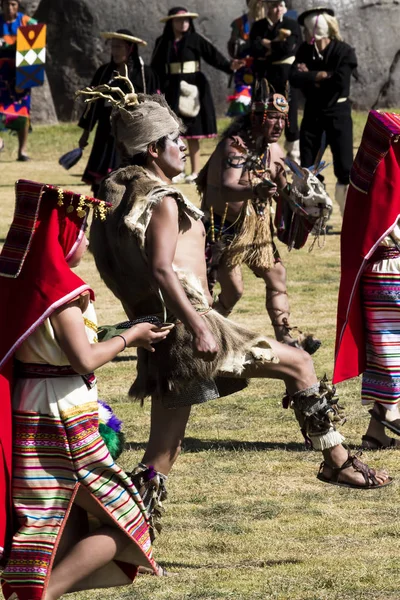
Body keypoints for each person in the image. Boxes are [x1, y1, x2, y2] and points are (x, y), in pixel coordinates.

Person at [81, 77, 391, 538]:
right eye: (174, 141)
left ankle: (121, 537)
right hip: (192, 328)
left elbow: (120, 268)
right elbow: (164, 269)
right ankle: (337, 461)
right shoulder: (162, 200)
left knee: (161, 455)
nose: (183, 148)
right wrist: (200, 326)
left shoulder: (115, 195)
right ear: (151, 149)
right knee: (301, 364)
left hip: (160, 332)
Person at [0, 181, 172, 599]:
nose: (84, 238)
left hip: (29, 405)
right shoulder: (63, 291)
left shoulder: (12, 278)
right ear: (64, 231)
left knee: (53, 517)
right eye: (80, 227)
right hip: (64, 411)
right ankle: (43, 594)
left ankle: (37, 587)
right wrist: (132, 338)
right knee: (129, 526)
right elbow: (84, 359)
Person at [196, 88, 321, 354]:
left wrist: (306, 203)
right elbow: (229, 186)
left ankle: (285, 336)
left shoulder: (273, 151)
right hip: (224, 227)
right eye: (272, 118)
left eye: (282, 119)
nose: (279, 125)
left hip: (256, 227)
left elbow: (285, 190)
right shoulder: (235, 147)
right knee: (233, 292)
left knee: (277, 276)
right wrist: (255, 190)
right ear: (256, 119)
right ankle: (205, 334)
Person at [334, 110, 400, 450]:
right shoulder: (389, 180)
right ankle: (391, 411)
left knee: (385, 350)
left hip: (377, 274)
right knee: (391, 350)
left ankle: (375, 433)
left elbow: (380, 121)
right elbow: (381, 118)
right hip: (394, 273)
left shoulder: (367, 176)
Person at [151, 6, 244, 183]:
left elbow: (213, 55)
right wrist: (155, 89)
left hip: (193, 88)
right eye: (179, 20)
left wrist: (229, 66)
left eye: (186, 20)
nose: (183, 23)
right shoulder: (162, 42)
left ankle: (195, 171)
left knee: (193, 132)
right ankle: (176, 170)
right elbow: (155, 67)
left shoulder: (195, 39)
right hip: (171, 89)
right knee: (173, 131)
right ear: (171, 22)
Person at [290, 6, 357, 217]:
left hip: (338, 114)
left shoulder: (344, 50)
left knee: (345, 167)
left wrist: (310, 75)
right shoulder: (304, 51)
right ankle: (315, 214)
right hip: (313, 114)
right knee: (309, 167)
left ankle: (349, 214)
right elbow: (294, 77)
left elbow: (340, 81)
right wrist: (320, 75)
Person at [78, 29, 159, 195]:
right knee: (101, 182)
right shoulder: (104, 73)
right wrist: (86, 133)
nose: (114, 51)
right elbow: (92, 106)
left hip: (131, 134)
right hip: (105, 133)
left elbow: (155, 105)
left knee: (130, 181)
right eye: (113, 47)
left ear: (130, 49)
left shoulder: (145, 75)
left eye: (119, 47)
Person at [249, 0, 301, 161]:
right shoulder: (258, 26)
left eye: (281, 6)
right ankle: (264, 153)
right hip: (265, 76)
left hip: (287, 75)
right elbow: (253, 48)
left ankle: (294, 156)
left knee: (290, 115)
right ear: (268, 8)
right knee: (265, 112)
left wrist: (267, 44)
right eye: (274, 6)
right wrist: (275, 45)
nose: (278, 9)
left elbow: (288, 48)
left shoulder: (292, 25)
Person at [0, 0, 37, 160]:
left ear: (18, 5)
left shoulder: (26, 22)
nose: (10, 8)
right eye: (6, 4)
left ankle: (22, 151)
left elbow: (37, 38)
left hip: (20, 73)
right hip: (1, 72)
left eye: (13, 4)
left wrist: (25, 78)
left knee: (23, 112)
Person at [226, 0, 265, 117]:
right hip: (245, 69)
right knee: (242, 99)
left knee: (263, 100)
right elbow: (232, 46)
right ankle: (240, 128)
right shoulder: (239, 24)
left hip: (265, 68)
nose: (259, 4)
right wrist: (235, 59)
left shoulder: (270, 23)